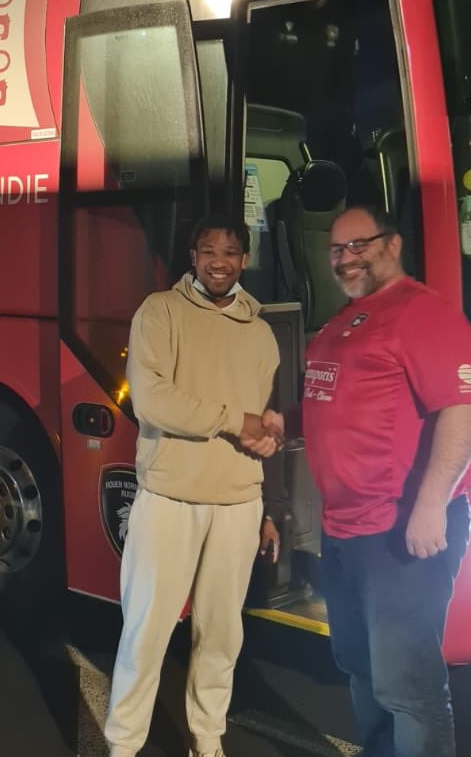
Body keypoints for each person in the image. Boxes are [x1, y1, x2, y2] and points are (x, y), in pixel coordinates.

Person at [261, 204, 471, 757]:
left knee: (407, 687)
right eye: (336, 250)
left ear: (393, 244)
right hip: (345, 532)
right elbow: (329, 401)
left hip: (398, 531)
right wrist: (282, 421)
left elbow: (462, 410)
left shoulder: (422, 312)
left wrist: (432, 505)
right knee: (360, 670)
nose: (345, 259)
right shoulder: (344, 321)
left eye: (359, 245)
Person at [105, 214, 283, 757]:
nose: (220, 262)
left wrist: (267, 498)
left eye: (230, 253)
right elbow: (151, 400)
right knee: (146, 631)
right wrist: (238, 420)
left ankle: (207, 740)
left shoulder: (261, 333)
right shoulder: (159, 312)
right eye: (209, 252)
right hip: (169, 499)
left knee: (222, 636)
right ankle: (123, 743)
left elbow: (260, 424)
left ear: (245, 260)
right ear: (193, 256)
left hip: (238, 504)